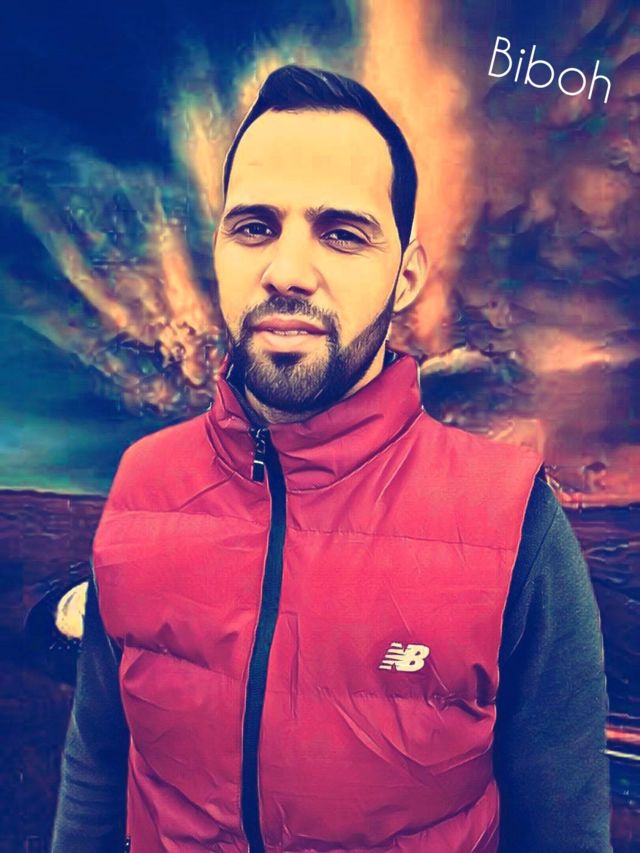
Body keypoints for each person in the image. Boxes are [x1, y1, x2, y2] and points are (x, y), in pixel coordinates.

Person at [51, 64, 612, 852]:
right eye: (254, 226)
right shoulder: (144, 484)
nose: (286, 271)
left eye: (342, 232)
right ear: (219, 251)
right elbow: (98, 769)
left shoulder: (513, 522)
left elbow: (565, 832)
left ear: (405, 276)